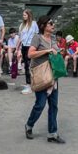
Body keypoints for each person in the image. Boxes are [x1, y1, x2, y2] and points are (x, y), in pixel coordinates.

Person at [25, 14, 66, 144]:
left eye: (53, 23)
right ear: (43, 26)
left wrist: (60, 52)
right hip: (41, 75)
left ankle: (52, 134)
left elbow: (56, 53)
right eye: (50, 23)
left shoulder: (53, 39)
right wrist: (47, 51)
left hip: (52, 76)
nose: (53, 25)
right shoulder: (37, 38)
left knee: (54, 106)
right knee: (40, 104)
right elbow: (30, 54)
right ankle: (29, 125)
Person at [18, 9, 39, 95]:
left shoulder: (34, 24)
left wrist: (36, 46)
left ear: (29, 15)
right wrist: (17, 48)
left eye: (25, 15)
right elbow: (20, 37)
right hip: (24, 46)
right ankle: (28, 84)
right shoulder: (22, 25)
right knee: (26, 65)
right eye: (23, 15)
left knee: (31, 65)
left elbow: (37, 35)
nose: (23, 16)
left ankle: (32, 84)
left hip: (31, 46)